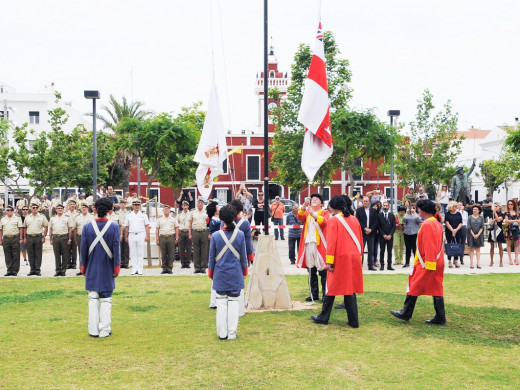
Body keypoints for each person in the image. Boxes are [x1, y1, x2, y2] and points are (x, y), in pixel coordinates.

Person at [390, 199, 446, 325]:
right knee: (436, 288)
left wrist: (429, 264)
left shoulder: (428, 224)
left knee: (414, 285)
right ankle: (440, 317)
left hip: (428, 262)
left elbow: (430, 245)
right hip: (436, 261)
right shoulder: (435, 223)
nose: (418, 210)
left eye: (419, 208)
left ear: (424, 210)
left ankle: (405, 313)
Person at [311, 196, 363, 327]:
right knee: (349, 288)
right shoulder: (354, 219)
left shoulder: (334, 220)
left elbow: (331, 242)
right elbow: (360, 240)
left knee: (330, 286)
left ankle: (324, 317)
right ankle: (353, 320)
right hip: (354, 256)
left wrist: (329, 261)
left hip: (340, 257)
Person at [80, 197, 121, 338]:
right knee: (106, 299)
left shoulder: (87, 227)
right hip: (108, 267)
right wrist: (116, 268)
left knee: (92, 298)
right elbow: (116, 250)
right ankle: (104, 329)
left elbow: (83, 250)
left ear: (95, 209)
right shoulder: (114, 227)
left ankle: (93, 330)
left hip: (91, 267)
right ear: (110, 211)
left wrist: (83, 268)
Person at [208, 205, 248, 340]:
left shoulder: (215, 236)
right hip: (235, 274)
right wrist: (244, 271)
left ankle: (222, 333)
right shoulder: (240, 235)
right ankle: (232, 333)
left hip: (220, 274)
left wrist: (211, 273)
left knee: (221, 304)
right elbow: (243, 257)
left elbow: (211, 259)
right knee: (233, 304)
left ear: (221, 218)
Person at [297, 193, 330, 301]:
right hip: (308, 243)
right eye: (312, 199)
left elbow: (324, 222)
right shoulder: (307, 212)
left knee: (323, 270)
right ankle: (313, 294)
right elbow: (300, 216)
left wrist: (314, 214)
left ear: (321, 203)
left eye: (317, 199)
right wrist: (304, 205)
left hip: (319, 244)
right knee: (311, 270)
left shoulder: (325, 212)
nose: (314, 200)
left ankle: (326, 295)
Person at [124, 199, 150, 275]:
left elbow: (147, 226)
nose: (137, 206)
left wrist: (147, 236)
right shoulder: (129, 215)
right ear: (132, 206)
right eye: (135, 205)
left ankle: (140, 268)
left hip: (141, 234)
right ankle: (134, 268)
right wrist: (126, 236)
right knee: (133, 252)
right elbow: (126, 227)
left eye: (138, 205)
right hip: (131, 234)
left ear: (140, 206)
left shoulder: (143, 215)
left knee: (140, 252)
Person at [48, 203, 74, 277]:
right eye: (58, 208)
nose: (60, 210)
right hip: (55, 237)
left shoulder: (67, 218)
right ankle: (58, 270)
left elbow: (70, 228)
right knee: (57, 255)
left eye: (61, 208)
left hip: (64, 237)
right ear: (56, 210)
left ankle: (63, 271)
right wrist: (50, 239)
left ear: (63, 210)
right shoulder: (53, 218)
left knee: (65, 255)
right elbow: (51, 229)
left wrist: (69, 238)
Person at [25, 202, 48, 276]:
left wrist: (44, 236)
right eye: (33, 207)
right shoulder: (27, 217)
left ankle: (37, 270)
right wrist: (25, 238)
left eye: (36, 208)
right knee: (30, 254)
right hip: (29, 237)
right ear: (31, 208)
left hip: (38, 237)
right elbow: (25, 228)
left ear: (38, 209)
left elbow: (46, 227)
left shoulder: (42, 216)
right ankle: (32, 269)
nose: (35, 209)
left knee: (38, 254)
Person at [0, 205, 24, 276]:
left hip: (15, 238)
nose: (9, 211)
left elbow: (21, 228)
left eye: (11, 210)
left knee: (16, 255)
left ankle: (15, 271)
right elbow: (0, 230)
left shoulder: (17, 218)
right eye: (8, 210)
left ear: (13, 211)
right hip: (6, 238)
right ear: (5, 211)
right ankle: (9, 270)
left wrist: (21, 238)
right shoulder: (2, 219)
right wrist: (0, 240)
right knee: (7, 255)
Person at [355, 196, 378, 271]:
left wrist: (371, 229)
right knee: (361, 249)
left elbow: (375, 221)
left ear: (369, 202)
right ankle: (359, 265)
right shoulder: (359, 210)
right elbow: (358, 221)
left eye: (366, 201)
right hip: (362, 232)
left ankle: (370, 265)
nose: (365, 202)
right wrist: (365, 228)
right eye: (364, 201)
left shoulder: (373, 211)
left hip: (371, 233)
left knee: (371, 250)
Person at [156, 205, 179, 274]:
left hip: (171, 237)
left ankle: (169, 268)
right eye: (165, 209)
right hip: (162, 237)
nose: (166, 210)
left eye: (168, 209)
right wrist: (157, 239)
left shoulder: (173, 219)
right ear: (163, 210)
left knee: (170, 253)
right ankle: (164, 268)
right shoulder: (159, 219)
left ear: (170, 211)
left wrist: (176, 238)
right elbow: (157, 229)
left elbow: (177, 228)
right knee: (164, 253)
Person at [73, 202, 95, 276]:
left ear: (88, 208)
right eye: (82, 207)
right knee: (81, 253)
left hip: (90, 237)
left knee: (90, 253)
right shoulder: (77, 217)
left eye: (85, 207)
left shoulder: (92, 217)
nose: (84, 208)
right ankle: (82, 269)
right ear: (80, 209)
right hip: (80, 236)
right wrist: (75, 239)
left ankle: (90, 269)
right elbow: (75, 229)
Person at [191, 197, 209, 274]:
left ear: (203, 204)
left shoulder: (206, 212)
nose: (200, 204)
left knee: (204, 250)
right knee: (196, 250)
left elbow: (209, 222)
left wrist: (209, 233)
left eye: (201, 202)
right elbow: (189, 223)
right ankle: (197, 267)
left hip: (204, 231)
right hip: (195, 231)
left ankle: (203, 267)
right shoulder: (193, 212)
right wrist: (189, 233)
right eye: (199, 202)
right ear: (197, 204)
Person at [377, 201, 396, 271]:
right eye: (384, 205)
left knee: (389, 251)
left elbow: (394, 226)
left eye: (386, 206)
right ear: (382, 206)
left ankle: (389, 266)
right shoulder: (379, 215)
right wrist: (383, 235)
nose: (385, 207)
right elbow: (378, 226)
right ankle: (382, 265)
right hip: (382, 236)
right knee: (382, 251)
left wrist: (390, 234)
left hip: (390, 236)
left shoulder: (392, 215)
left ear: (388, 206)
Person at [444, 201, 463, 268]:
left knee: (456, 245)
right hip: (449, 231)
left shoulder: (459, 214)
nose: (456, 207)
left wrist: (456, 230)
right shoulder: (447, 214)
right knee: (450, 245)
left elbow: (461, 223)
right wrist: (452, 230)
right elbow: (447, 223)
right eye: (455, 206)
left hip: (458, 231)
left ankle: (456, 260)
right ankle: (449, 261)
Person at [467, 204, 485, 269]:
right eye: (473, 209)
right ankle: (471, 262)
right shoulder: (469, 217)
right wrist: (473, 234)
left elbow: (482, 227)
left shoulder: (481, 218)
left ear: (479, 210)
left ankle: (478, 263)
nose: (474, 210)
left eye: (476, 209)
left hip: (479, 235)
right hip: (471, 235)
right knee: (471, 249)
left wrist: (478, 234)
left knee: (478, 249)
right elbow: (468, 227)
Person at [65, 199, 80, 269]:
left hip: (75, 231)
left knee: (74, 247)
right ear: (68, 205)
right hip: (67, 231)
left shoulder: (78, 213)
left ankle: (74, 263)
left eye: (73, 204)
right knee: (67, 248)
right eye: (71, 204)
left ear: (75, 205)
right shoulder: (65, 213)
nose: (72, 205)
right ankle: (68, 263)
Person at [488, 202, 505, 267]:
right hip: (492, 230)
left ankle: (501, 261)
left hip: (499, 230)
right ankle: (491, 260)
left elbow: (498, 220)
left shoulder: (502, 214)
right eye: (494, 206)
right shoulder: (491, 214)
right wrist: (493, 218)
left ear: (499, 207)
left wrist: (495, 213)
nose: (495, 207)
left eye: (496, 206)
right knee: (491, 246)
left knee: (500, 246)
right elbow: (490, 221)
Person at [177, 200, 192, 268]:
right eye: (184, 206)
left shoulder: (191, 214)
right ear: (182, 206)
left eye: (186, 205)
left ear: (188, 206)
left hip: (188, 231)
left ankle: (188, 263)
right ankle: (183, 263)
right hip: (182, 232)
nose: (185, 207)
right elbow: (177, 224)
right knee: (181, 248)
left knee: (189, 248)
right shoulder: (179, 215)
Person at [503, 199, 519, 266]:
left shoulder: (517, 212)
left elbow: (519, 221)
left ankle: (516, 258)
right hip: (509, 230)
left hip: (515, 229)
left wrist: (511, 221)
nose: (510, 205)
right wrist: (515, 220)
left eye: (511, 204)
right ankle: (510, 259)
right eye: (509, 204)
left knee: (516, 244)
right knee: (508, 245)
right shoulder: (506, 213)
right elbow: (506, 221)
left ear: (514, 205)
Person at [117, 199, 130, 268]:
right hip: (119, 230)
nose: (123, 205)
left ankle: (126, 263)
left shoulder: (128, 213)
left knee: (126, 247)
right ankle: (120, 262)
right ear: (119, 204)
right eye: (121, 203)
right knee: (120, 247)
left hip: (126, 230)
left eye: (124, 203)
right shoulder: (117, 213)